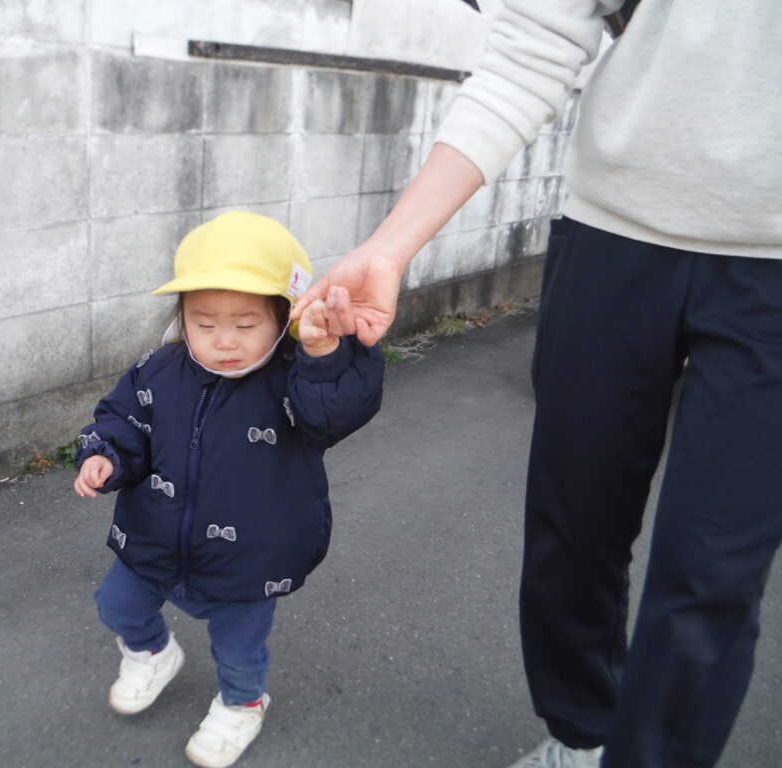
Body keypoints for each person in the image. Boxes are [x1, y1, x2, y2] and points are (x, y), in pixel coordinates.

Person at [293, 1, 781, 767]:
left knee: (710, 577)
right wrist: (388, 249)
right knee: (572, 530)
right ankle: (583, 732)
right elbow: (534, 46)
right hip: (611, 233)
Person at [73, 211, 384, 768]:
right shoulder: (159, 370)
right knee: (116, 604)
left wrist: (322, 358)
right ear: (182, 317)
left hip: (250, 559)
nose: (223, 341)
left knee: (239, 648)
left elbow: (332, 416)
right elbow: (123, 420)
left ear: (285, 318)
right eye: (203, 322)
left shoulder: (298, 380)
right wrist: (106, 455)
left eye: (244, 325)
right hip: (153, 536)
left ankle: (243, 703)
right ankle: (152, 653)